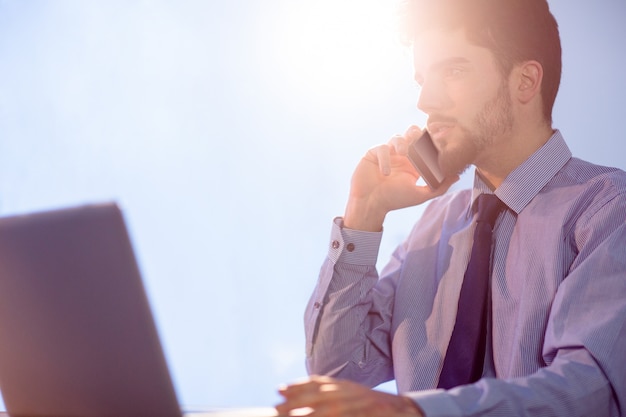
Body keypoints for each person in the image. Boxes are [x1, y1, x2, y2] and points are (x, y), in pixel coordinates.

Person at [275, 0, 626, 416]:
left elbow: (589, 392)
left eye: (453, 71)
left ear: (526, 81)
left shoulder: (608, 209)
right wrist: (364, 213)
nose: (426, 100)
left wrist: (414, 412)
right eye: (423, 78)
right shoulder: (433, 227)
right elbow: (337, 373)